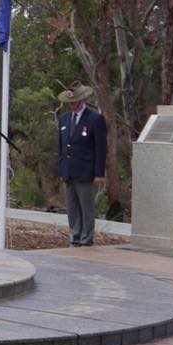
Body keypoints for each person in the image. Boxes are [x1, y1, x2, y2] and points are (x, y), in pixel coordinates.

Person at [58, 83, 108, 247]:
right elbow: (61, 147)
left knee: (86, 208)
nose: (72, 105)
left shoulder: (95, 119)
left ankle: (86, 239)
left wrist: (99, 173)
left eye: (76, 101)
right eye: (70, 102)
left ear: (84, 99)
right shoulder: (64, 119)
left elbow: (101, 149)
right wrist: (61, 168)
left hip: (86, 172)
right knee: (72, 208)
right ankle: (75, 237)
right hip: (69, 172)